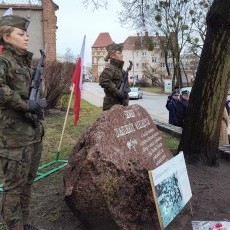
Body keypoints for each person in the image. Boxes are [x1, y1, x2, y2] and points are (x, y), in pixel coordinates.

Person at [0, 15, 46, 230]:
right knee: (13, 187)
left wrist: (38, 104)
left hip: (33, 132)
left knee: (27, 182)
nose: (26, 37)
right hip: (14, 138)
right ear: (6, 37)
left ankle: (24, 223)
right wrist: (27, 105)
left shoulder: (25, 63)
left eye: (27, 33)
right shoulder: (3, 61)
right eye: (21, 34)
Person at [99, 42, 130, 111]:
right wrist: (117, 92)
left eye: (121, 53)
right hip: (111, 105)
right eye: (119, 53)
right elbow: (103, 81)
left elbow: (126, 87)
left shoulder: (122, 71)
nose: (122, 55)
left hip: (122, 104)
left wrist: (126, 99)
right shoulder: (110, 68)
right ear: (112, 56)